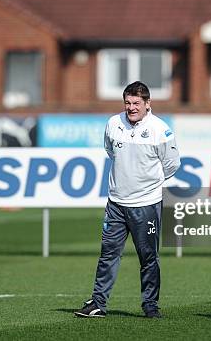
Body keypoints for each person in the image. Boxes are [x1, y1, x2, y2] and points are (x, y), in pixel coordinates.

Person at [75, 81, 180, 318]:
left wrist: (147, 186)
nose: (131, 108)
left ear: (147, 104)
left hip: (146, 205)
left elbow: (172, 165)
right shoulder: (113, 123)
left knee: (148, 258)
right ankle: (98, 303)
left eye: (136, 103)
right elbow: (110, 150)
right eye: (128, 103)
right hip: (116, 204)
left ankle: (150, 306)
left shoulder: (160, 130)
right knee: (108, 254)